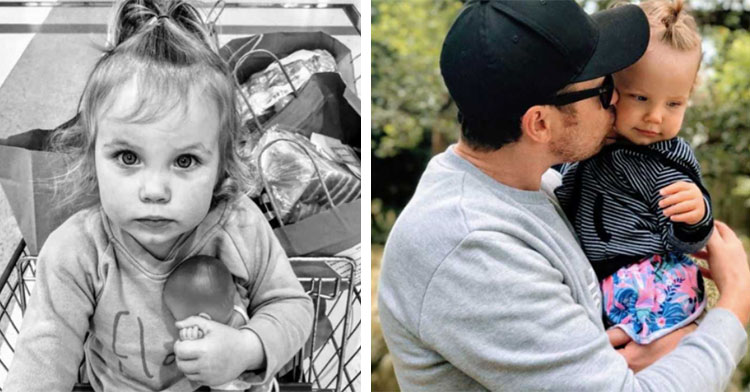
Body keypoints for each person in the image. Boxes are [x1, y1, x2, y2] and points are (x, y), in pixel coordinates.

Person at [378, 0, 750, 391]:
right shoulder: (469, 246)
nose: (618, 103)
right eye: (605, 90)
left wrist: (661, 346)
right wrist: (735, 303)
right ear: (540, 122)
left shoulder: (543, 187)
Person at [4, 0, 313, 390]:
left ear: (223, 165)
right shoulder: (77, 251)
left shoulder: (238, 224)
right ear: (91, 156)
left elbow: (292, 306)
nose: (154, 191)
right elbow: (43, 356)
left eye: (184, 161)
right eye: (128, 156)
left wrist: (246, 348)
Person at [555, 0, 711, 347]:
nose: (655, 117)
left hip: (651, 279)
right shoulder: (590, 145)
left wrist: (696, 215)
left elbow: (688, 238)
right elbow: (558, 189)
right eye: (640, 97)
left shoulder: (667, 157)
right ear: (609, 87)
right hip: (597, 279)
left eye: (674, 104)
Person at [163, 255, 253, 391]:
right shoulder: (236, 306)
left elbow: (202, 353)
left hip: (232, 382)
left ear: (203, 319)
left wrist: (192, 337)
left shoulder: (231, 330)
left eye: (180, 319)